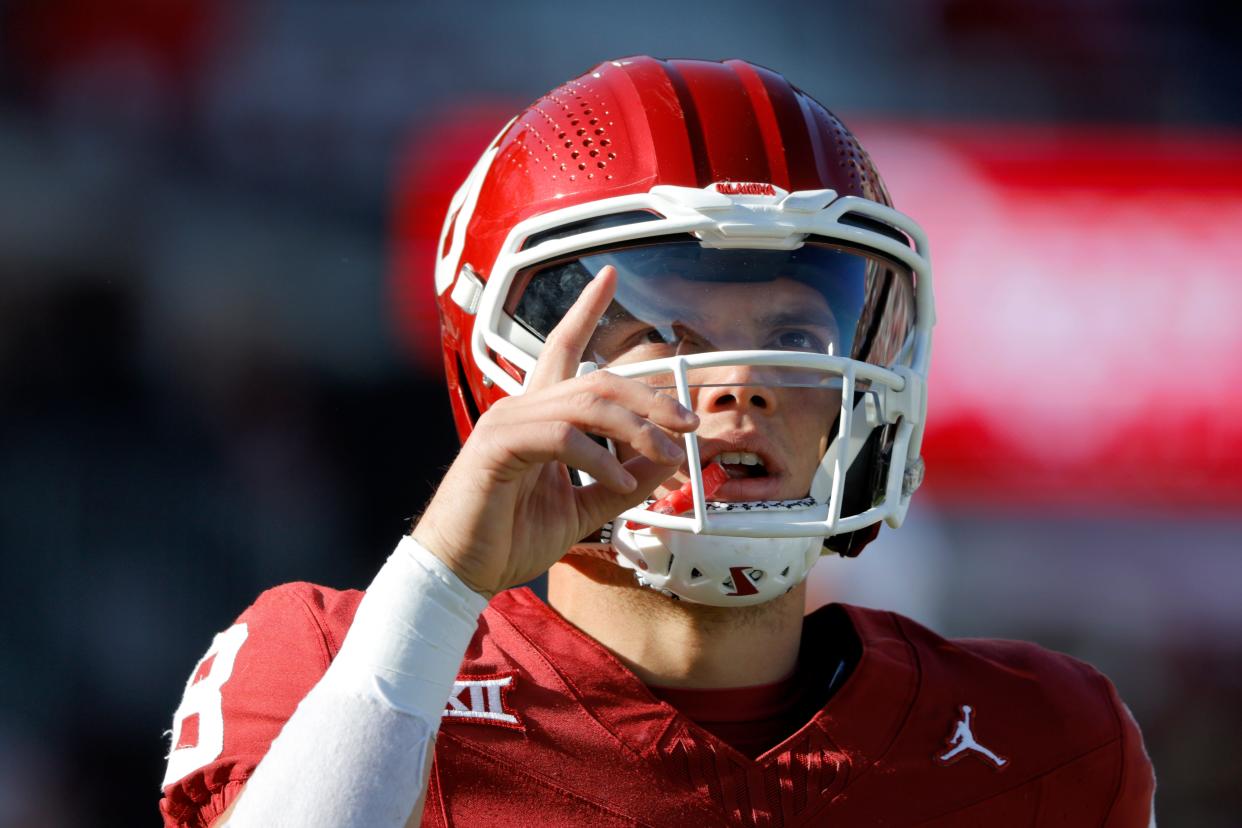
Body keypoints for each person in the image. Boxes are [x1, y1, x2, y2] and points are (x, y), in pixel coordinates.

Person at [159, 57, 1156, 827]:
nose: (743, 382)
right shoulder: (334, 664)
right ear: (512, 362)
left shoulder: (1047, 742)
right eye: (664, 332)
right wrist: (438, 589)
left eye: (795, 337)